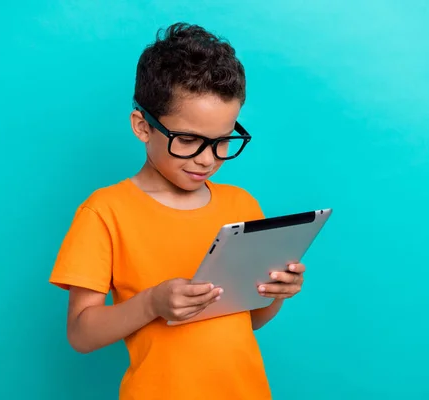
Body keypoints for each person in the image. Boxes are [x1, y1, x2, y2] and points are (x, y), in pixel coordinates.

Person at [49, 22, 306, 400]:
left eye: (222, 141)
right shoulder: (104, 212)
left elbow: (248, 321)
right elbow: (81, 334)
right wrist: (151, 303)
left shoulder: (242, 205)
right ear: (143, 126)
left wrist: (277, 294)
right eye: (188, 140)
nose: (207, 159)